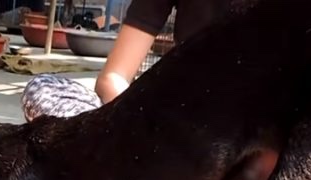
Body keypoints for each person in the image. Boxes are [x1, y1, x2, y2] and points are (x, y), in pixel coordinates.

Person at [20, 0, 232, 122]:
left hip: (242, 132)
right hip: (177, 122)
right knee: (41, 89)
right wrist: (143, 122)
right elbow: (114, 76)